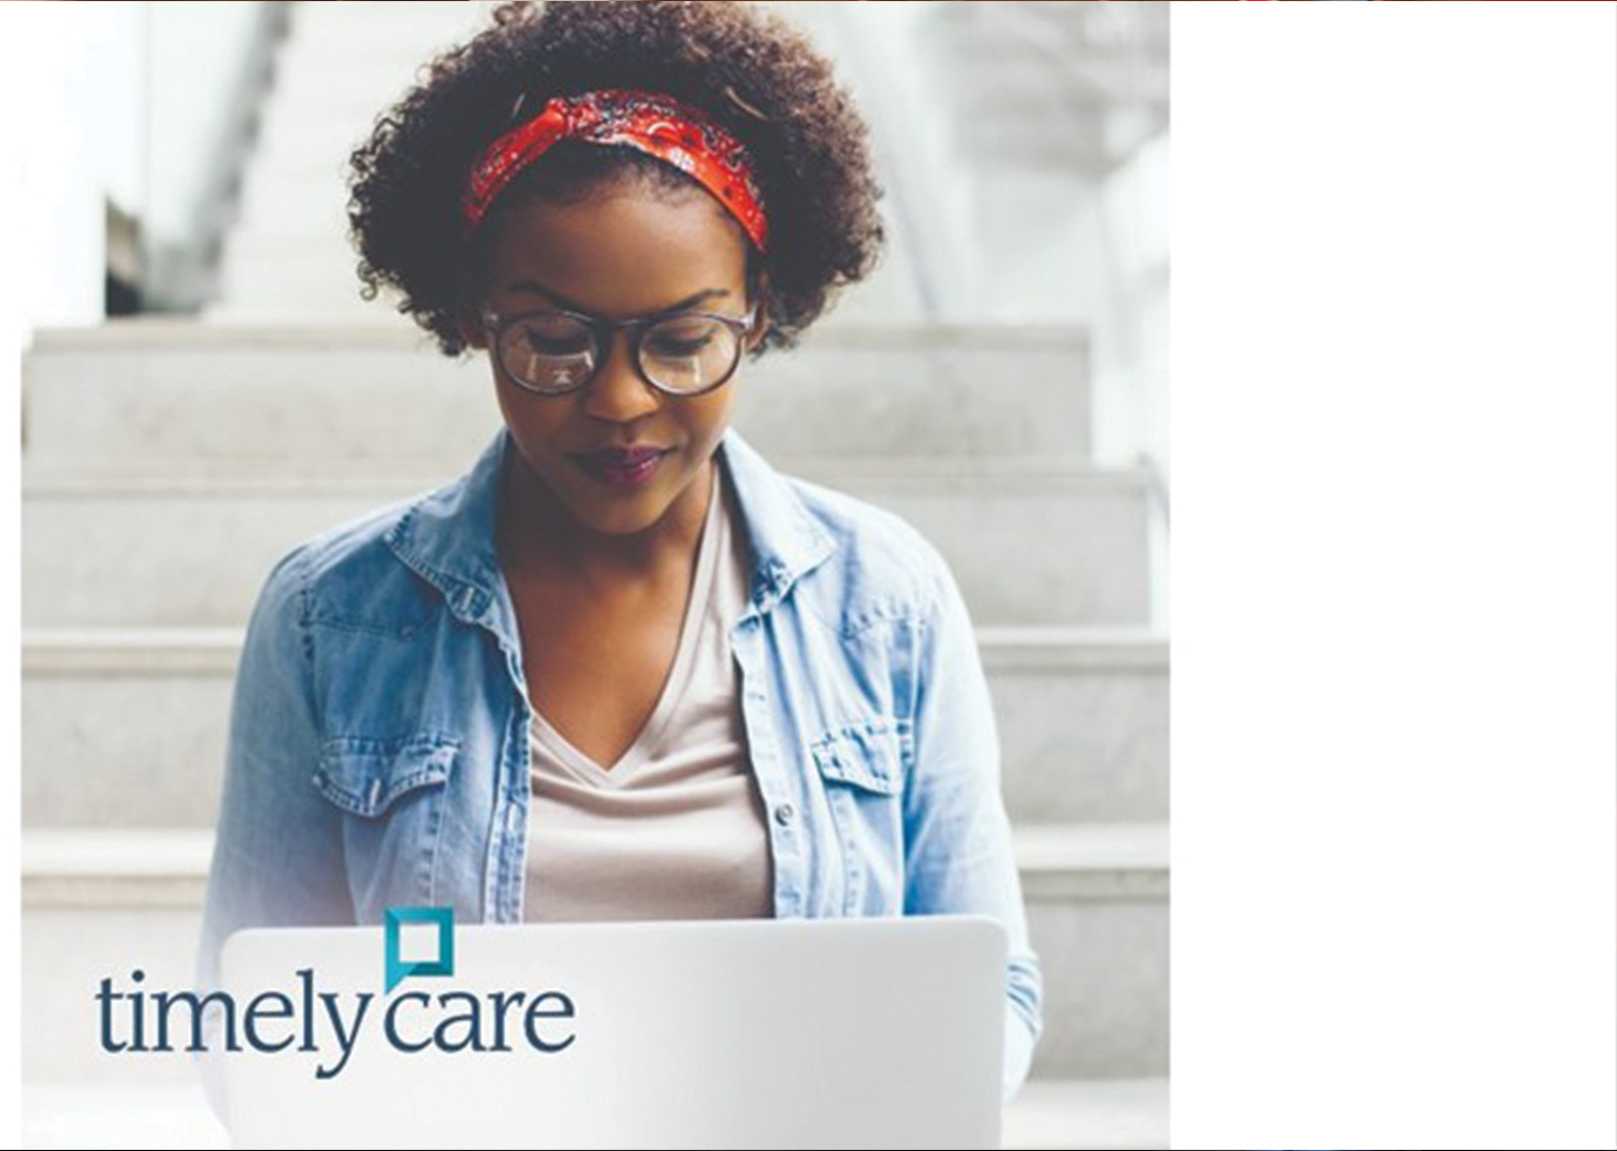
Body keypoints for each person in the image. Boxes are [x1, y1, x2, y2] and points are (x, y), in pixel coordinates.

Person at [194, 0, 1041, 1121]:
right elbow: (256, 1022)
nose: (622, 399)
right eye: (554, 341)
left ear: (761, 312)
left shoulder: (884, 603)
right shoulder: (329, 618)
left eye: (684, 340)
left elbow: (997, 993)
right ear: (474, 318)